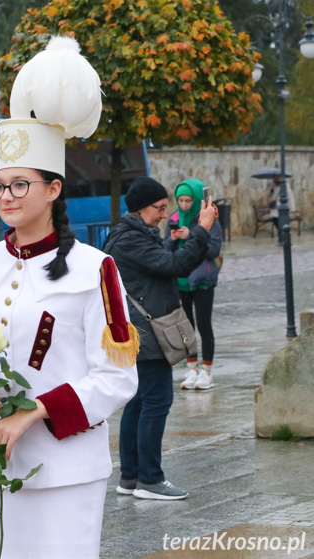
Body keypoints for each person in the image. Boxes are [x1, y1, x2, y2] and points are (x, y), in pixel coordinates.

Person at [0, 37, 139, 559]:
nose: (6, 197)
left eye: (20, 185)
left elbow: (118, 377)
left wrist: (33, 409)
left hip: (67, 470)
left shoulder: (95, 269)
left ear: (54, 189)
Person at [104, 176, 217, 501]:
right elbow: (177, 266)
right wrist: (202, 230)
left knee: (138, 404)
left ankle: (131, 477)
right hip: (146, 332)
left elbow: (159, 263)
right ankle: (150, 479)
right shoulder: (129, 239)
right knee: (155, 402)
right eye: (159, 208)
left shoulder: (131, 234)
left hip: (139, 329)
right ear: (141, 208)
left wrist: (175, 238)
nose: (163, 214)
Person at [164, 179, 222, 390]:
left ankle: (206, 371)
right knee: (186, 327)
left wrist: (193, 236)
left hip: (203, 280)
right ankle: (191, 369)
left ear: (197, 200)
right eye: (181, 200)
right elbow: (165, 249)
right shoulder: (174, 218)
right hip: (180, 280)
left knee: (204, 325)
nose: (185, 204)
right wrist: (172, 238)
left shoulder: (208, 218)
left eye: (189, 200)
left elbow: (214, 250)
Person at [269, 172, 296, 238]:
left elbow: (290, 196)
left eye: (277, 177)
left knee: (282, 223)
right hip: (275, 208)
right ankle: (281, 235)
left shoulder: (285, 185)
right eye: (275, 178)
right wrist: (271, 188)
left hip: (282, 208)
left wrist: (292, 208)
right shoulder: (274, 186)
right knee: (275, 220)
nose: (275, 179)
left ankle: (283, 237)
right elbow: (269, 194)